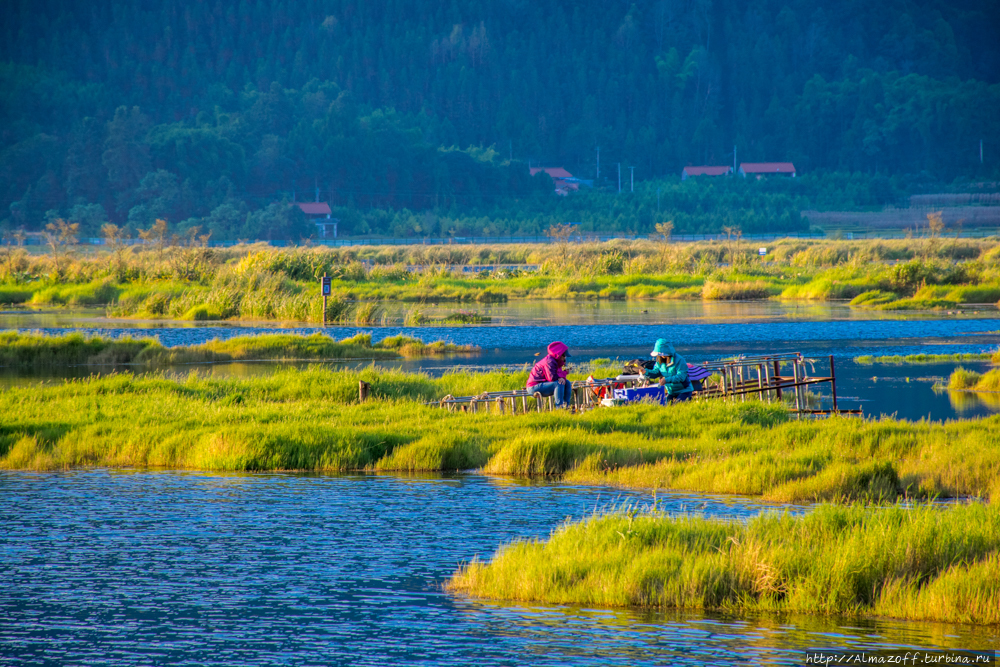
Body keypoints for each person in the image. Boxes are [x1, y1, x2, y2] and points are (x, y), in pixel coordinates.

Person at [527, 341, 571, 408]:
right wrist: (564, 373)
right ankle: (559, 407)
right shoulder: (550, 361)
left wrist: (564, 375)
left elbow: (558, 375)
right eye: (564, 355)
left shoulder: (557, 362)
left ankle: (566, 406)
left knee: (567, 383)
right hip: (533, 387)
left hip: (544, 384)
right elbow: (552, 378)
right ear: (560, 354)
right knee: (558, 383)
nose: (565, 358)